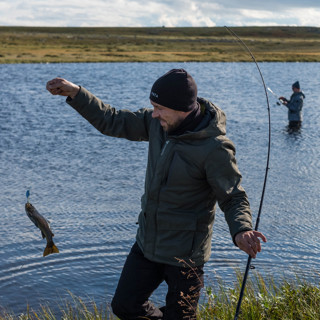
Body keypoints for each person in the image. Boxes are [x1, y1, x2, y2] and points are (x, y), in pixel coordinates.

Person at [46, 69, 267, 320]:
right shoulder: (157, 124)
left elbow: (233, 196)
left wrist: (241, 230)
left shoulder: (214, 148)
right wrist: (77, 93)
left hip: (186, 255)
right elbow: (112, 119)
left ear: (183, 109)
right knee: (124, 306)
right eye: (153, 106)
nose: (154, 113)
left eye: (160, 108)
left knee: (181, 316)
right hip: (147, 243)